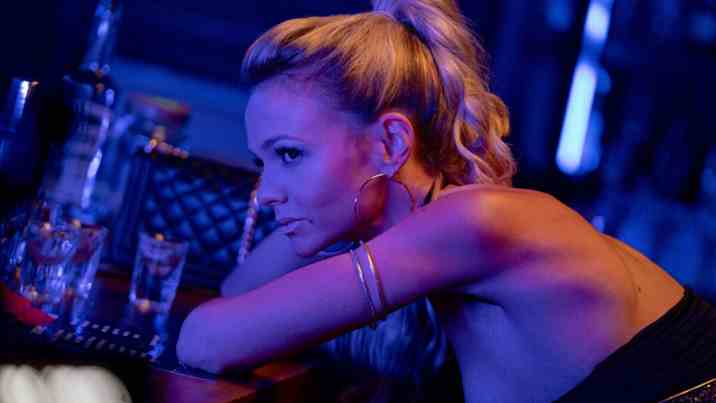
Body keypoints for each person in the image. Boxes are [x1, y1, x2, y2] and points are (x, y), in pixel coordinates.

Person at [176, 0, 716, 401]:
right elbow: (236, 294)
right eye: (263, 162)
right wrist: (326, 214)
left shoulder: (476, 222)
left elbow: (205, 341)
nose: (267, 191)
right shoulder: (437, 232)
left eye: (290, 154)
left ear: (391, 143)